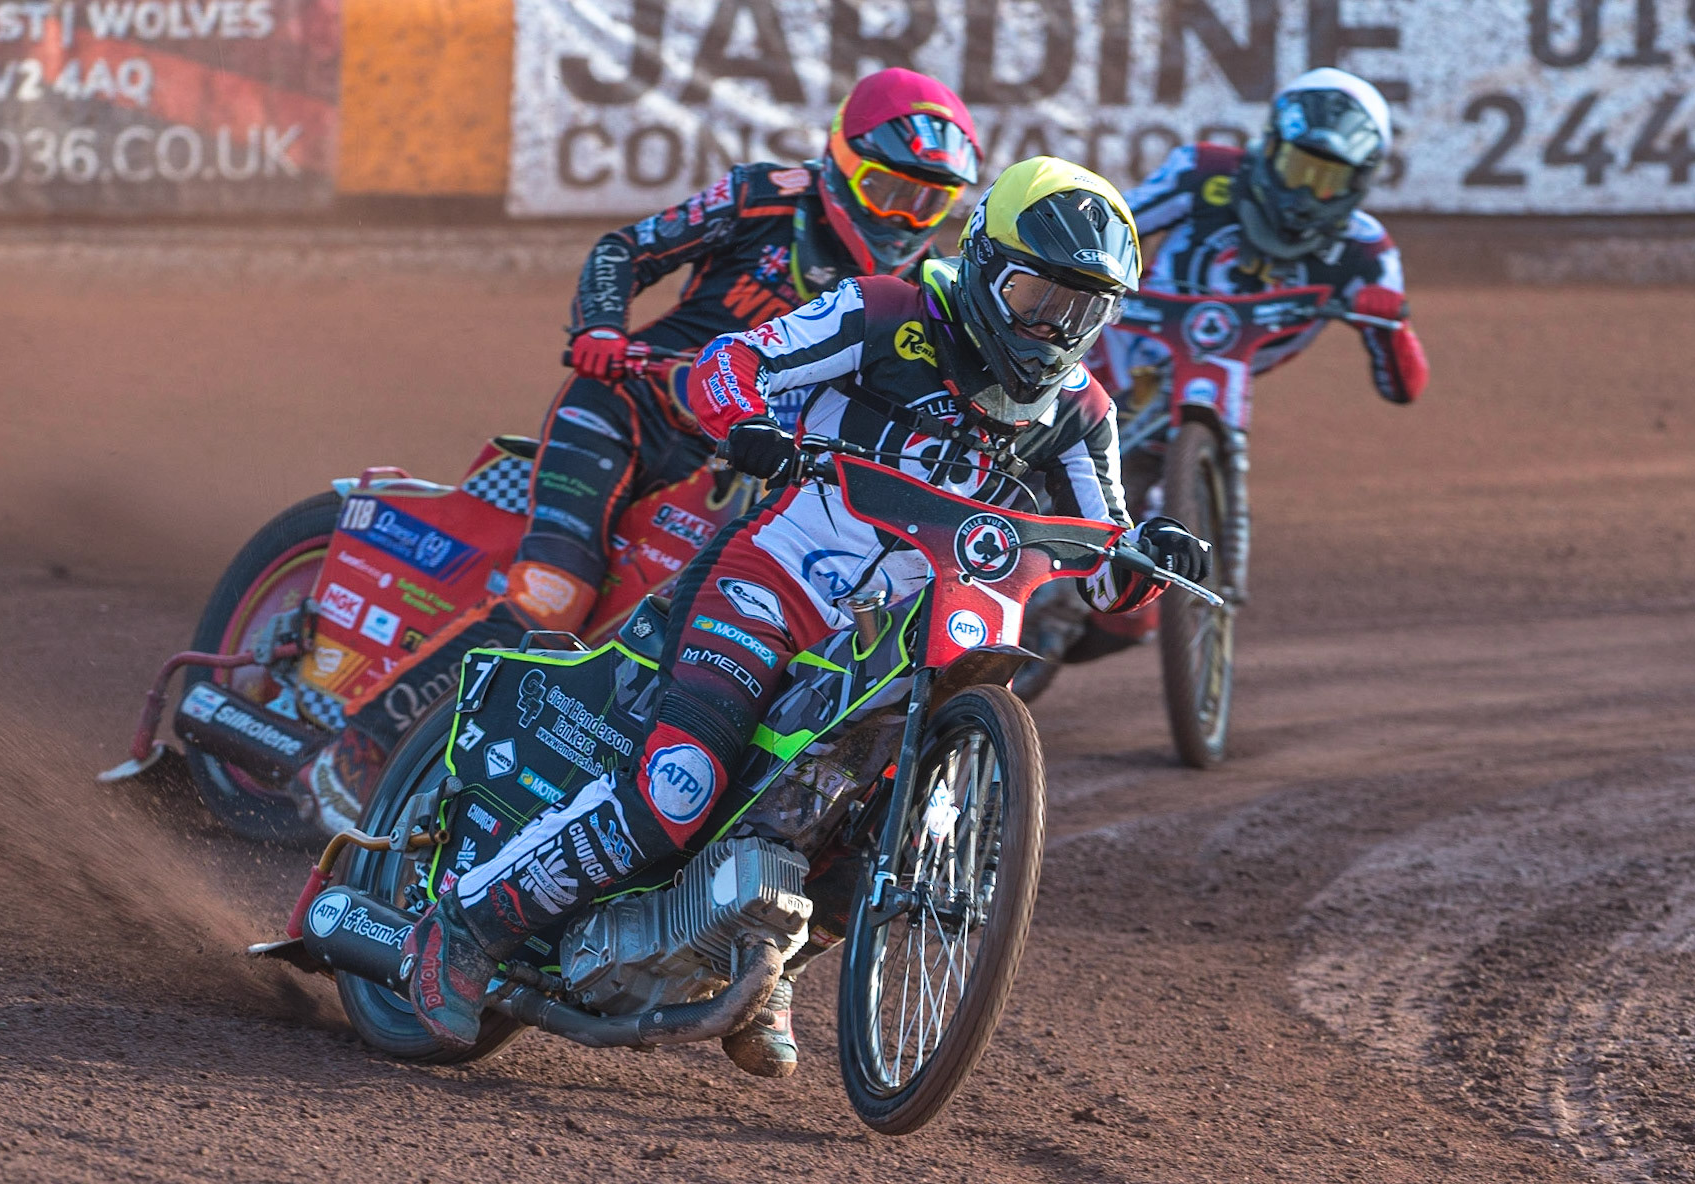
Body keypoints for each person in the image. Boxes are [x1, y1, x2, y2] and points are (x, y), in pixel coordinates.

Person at [401, 157, 1212, 1077]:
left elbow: (1107, 562)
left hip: (906, 636)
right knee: (680, 787)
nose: (1053, 327)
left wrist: (1156, 556)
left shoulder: (1083, 414)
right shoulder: (883, 312)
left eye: (1081, 309)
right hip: (774, 581)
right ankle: (465, 926)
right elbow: (729, 366)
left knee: (879, 828)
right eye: (1036, 296)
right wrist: (747, 421)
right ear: (985, 260)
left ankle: (764, 953)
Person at [294, 68, 982, 836]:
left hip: (739, 471)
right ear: (843, 162)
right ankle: (357, 749)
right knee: (554, 596)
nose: (906, 216)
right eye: (892, 190)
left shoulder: (918, 295)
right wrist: (598, 329)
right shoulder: (763, 198)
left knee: (687, 646)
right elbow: (625, 247)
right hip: (627, 408)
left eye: (931, 201)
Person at [1061, 66, 1427, 656]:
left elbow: (1403, 384)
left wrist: (1394, 322)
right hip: (1114, 349)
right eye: (1297, 168)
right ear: (1269, 149)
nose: (1306, 192)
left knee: (1130, 615)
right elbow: (1112, 224)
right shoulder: (1204, 174)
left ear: (1359, 183)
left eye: (1327, 179)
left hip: (1211, 386)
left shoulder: (1366, 250)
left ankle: (1112, 605)